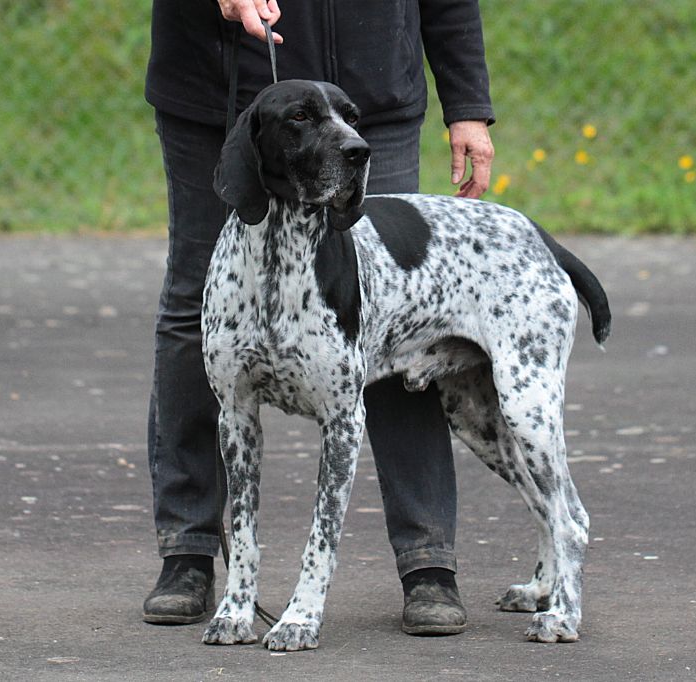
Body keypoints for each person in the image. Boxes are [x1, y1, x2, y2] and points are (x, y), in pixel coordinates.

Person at [141, 0, 495, 636]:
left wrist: (466, 100)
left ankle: (427, 563)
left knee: (395, 318)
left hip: (370, 94)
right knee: (195, 307)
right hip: (218, 84)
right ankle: (188, 552)